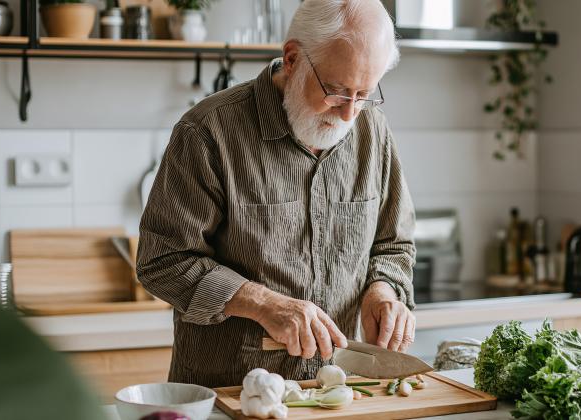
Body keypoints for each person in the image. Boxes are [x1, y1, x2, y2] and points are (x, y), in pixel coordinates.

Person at [137, 0, 416, 388]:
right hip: (229, 391)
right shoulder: (208, 132)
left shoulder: (374, 132)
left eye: (364, 94)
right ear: (292, 58)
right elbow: (162, 261)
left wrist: (382, 290)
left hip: (337, 391)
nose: (350, 113)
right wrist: (263, 304)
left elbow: (394, 245)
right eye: (336, 91)